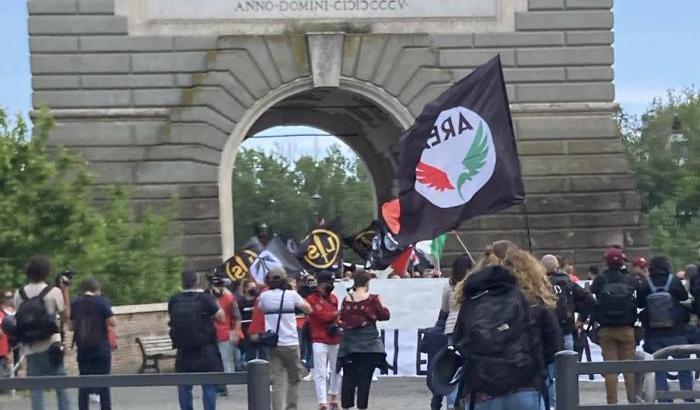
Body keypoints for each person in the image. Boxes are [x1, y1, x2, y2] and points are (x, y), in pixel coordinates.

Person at [451, 248, 561, 410]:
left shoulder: (473, 301)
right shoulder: (532, 300)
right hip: (525, 385)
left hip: (482, 390)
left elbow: (458, 341)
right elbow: (555, 345)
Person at [14, 255, 71, 410]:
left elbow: (18, 319)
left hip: (30, 348)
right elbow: (65, 317)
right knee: (62, 388)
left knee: (36, 391)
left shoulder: (19, 294)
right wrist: (65, 291)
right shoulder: (53, 292)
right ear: (47, 272)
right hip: (52, 345)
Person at [637, 256, 695, 403]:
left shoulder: (645, 284)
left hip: (654, 334)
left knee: (659, 370)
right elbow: (683, 296)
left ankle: (664, 402)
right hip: (677, 332)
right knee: (684, 368)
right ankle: (688, 400)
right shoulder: (674, 281)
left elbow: (639, 303)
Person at [540, 254, 593, 409]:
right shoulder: (568, 283)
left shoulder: (540, 284)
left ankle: (552, 405)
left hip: (547, 335)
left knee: (550, 373)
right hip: (567, 331)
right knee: (568, 371)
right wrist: (581, 320)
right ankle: (570, 402)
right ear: (557, 267)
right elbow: (589, 299)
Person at [168, 270, 224, 410]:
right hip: (205, 349)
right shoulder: (205, 298)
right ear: (196, 281)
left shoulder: (175, 299)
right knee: (209, 386)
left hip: (183, 349)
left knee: (184, 387)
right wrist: (216, 299)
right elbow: (221, 317)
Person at [257, 268, 312, 410]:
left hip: (273, 343)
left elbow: (261, 308)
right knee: (294, 378)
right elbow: (308, 309)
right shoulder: (292, 295)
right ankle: (291, 407)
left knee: (277, 380)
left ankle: (277, 408)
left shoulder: (264, 296)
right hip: (291, 342)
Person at [589, 247, 639, 405]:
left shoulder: (600, 279)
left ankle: (612, 402)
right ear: (622, 262)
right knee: (629, 367)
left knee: (610, 368)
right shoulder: (629, 279)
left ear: (606, 262)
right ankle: (633, 400)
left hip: (606, 329)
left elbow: (592, 294)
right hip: (627, 328)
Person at [338, 269, 391, 410]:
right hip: (369, 344)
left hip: (349, 344)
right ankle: (362, 407)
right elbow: (384, 315)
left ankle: (346, 406)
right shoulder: (373, 299)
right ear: (368, 282)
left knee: (348, 377)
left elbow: (342, 316)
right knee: (364, 379)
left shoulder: (347, 298)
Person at [71, 278, 115, 410]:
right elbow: (113, 322)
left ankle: (83, 408)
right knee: (104, 383)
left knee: (83, 382)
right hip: (101, 348)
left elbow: (71, 326)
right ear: (97, 289)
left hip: (83, 348)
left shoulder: (75, 303)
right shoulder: (102, 302)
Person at [435, 255, 472, 410]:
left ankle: (451, 403)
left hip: (451, 328)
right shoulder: (473, 285)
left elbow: (444, 309)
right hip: (470, 327)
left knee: (453, 368)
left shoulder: (449, 286)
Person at [306, 272, 342, 410]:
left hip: (334, 338)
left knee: (336, 370)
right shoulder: (312, 299)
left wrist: (339, 320)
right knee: (321, 372)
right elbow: (323, 316)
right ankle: (322, 402)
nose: (331, 285)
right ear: (320, 283)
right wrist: (338, 313)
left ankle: (333, 396)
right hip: (319, 338)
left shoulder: (333, 298)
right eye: (328, 282)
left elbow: (334, 319)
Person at [212, 281, 241, 396]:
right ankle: (220, 386)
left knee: (226, 361)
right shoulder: (207, 298)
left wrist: (236, 334)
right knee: (216, 362)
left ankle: (228, 387)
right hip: (211, 334)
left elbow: (237, 317)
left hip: (225, 333)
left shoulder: (229, 298)